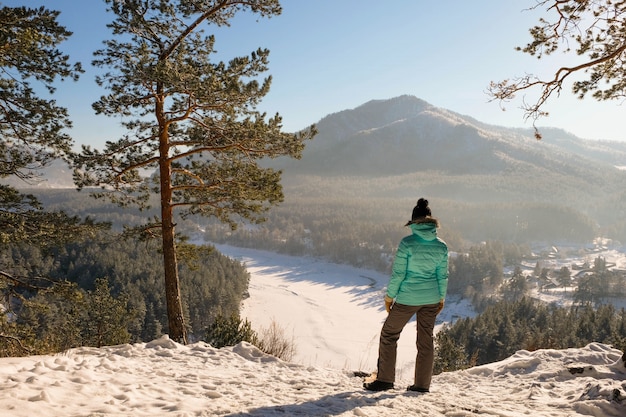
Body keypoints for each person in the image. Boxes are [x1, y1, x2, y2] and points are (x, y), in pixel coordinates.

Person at [364, 198, 448, 392]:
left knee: (389, 334)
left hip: (408, 298)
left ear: (414, 222)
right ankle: (421, 385)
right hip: (432, 299)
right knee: (425, 340)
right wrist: (441, 298)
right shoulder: (441, 246)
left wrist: (389, 297)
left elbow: (399, 274)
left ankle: (385, 380)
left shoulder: (407, 243)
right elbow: (442, 276)